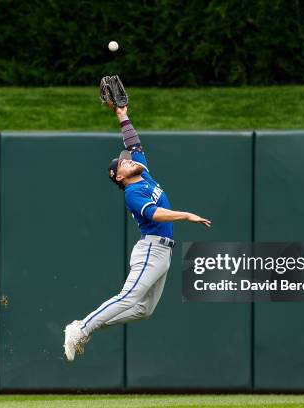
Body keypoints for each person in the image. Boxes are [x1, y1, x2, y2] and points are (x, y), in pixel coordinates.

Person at [63, 103, 211, 361]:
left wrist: (122, 115)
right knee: (128, 297)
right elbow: (155, 214)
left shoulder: (144, 174)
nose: (130, 160)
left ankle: (88, 327)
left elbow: (134, 143)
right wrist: (186, 215)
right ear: (120, 176)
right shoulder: (132, 193)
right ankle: (80, 328)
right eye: (124, 163)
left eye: (129, 159)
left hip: (164, 252)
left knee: (144, 310)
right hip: (151, 249)